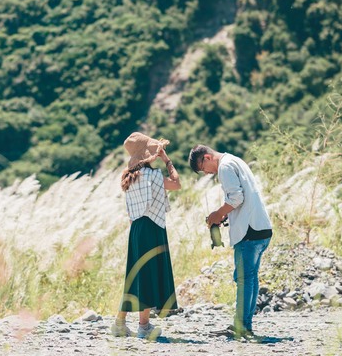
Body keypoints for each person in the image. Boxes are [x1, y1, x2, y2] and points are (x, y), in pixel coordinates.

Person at [188, 144, 272, 338]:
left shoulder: (224, 167)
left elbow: (236, 198)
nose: (206, 173)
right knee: (250, 278)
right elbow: (243, 198)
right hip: (261, 227)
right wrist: (226, 215)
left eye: (203, 169)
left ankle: (241, 326)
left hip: (249, 230)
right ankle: (245, 325)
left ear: (207, 157)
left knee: (243, 279)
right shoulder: (236, 160)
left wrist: (217, 214)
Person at [111, 132, 181, 340]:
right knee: (149, 274)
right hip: (152, 227)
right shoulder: (154, 176)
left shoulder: (128, 176)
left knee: (135, 275)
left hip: (136, 229)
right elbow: (176, 184)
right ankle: (144, 326)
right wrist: (167, 160)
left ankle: (120, 324)